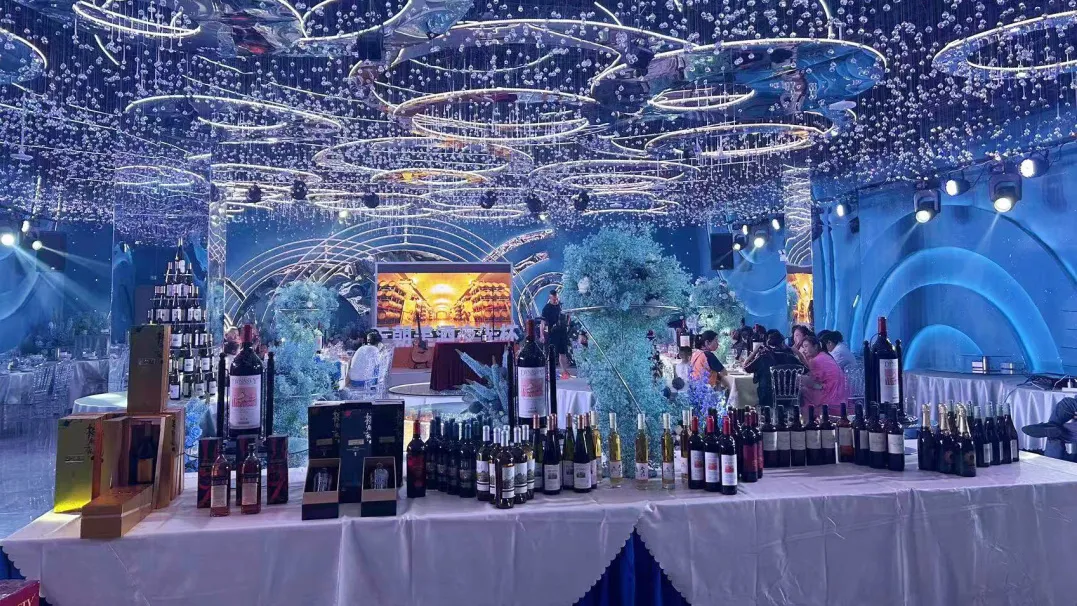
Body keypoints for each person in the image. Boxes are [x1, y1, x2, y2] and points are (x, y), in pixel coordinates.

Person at [744, 330, 804, 411]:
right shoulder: (791, 357)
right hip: (789, 397)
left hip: (766, 396)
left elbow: (746, 367)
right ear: (783, 344)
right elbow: (806, 369)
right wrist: (799, 354)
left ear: (767, 345)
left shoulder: (763, 357)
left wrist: (755, 352)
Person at [797, 335, 847, 416]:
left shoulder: (816, 361)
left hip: (829, 395)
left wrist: (798, 378)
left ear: (815, 347)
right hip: (841, 395)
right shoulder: (825, 356)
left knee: (802, 391)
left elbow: (812, 381)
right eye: (803, 347)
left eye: (806, 346)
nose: (804, 350)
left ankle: (808, 419)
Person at [541, 291, 571, 379]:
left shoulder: (561, 306)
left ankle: (564, 371)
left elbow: (568, 316)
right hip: (552, 333)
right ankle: (549, 372)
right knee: (551, 353)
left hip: (562, 333)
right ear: (550, 298)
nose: (556, 301)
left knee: (563, 353)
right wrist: (542, 335)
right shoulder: (546, 308)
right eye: (554, 299)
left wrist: (567, 324)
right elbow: (543, 323)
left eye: (557, 299)